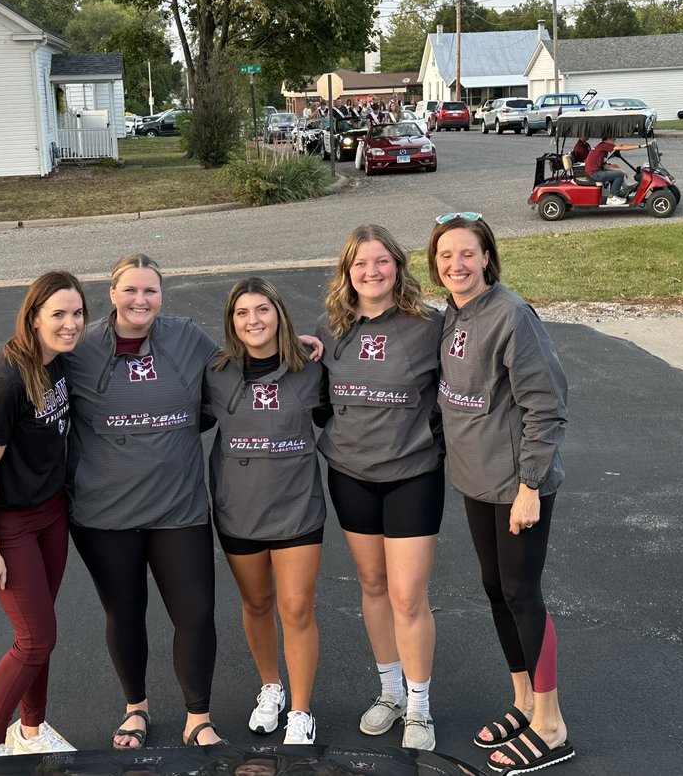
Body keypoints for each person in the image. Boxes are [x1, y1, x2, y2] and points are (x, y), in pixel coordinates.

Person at [427, 213, 574, 775]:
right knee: (495, 589)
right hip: (476, 481)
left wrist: (530, 486)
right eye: (445, 256)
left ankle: (552, 723)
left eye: (466, 253)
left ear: (486, 256)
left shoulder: (512, 315)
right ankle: (524, 702)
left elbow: (546, 404)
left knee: (521, 593)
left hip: (517, 487)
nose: (455, 265)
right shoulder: (453, 314)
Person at [65, 254, 225, 749]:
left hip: (178, 508)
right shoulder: (80, 347)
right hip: (104, 513)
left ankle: (198, 717)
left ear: (162, 294)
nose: (140, 300)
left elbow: (234, 371)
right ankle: (135, 709)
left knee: (196, 612)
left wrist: (302, 349)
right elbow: (33, 381)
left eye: (150, 291)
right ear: (111, 294)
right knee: (125, 612)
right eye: (130, 290)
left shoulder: (186, 337)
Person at [316, 225, 445, 752]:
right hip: (350, 475)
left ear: (398, 265)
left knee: (408, 596)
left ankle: (419, 705)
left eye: (381, 262)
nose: (371, 272)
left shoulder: (428, 327)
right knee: (373, 588)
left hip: (413, 474)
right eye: (360, 264)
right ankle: (390, 692)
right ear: (347, 273)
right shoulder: (331, 332)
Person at [0, 271, 85, 759]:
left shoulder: (59, 362)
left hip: (50, 512)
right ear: (33, 318)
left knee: (42, 632)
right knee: (34, 639)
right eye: (58, 314)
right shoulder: (4, 380)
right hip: (9, 522)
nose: (70, 324)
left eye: (77, 313)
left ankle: (31, 732)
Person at [204, 277, 329, 745]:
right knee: (257, 603)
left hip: (296, 507)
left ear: (279, 313)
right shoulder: (216, 373)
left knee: (296, 607)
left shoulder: (312, 368)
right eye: (242, 313)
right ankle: (271, 687)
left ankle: (300, 710)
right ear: (231, 322)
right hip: (239, 509)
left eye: (262, 310)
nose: (252, 320)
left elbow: (337, 419)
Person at [584, 136, 642, 205]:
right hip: (594, 174)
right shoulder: (605, 145)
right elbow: (623, 148)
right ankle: (612, 198)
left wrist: (619, 169)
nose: (615, 140)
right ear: (607, 139)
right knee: (619, 175)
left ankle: (623, 189)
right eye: (613, 138)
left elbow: (605, 166)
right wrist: (640, 146)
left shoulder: (601, 147)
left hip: (594, 172)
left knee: (617, 171)